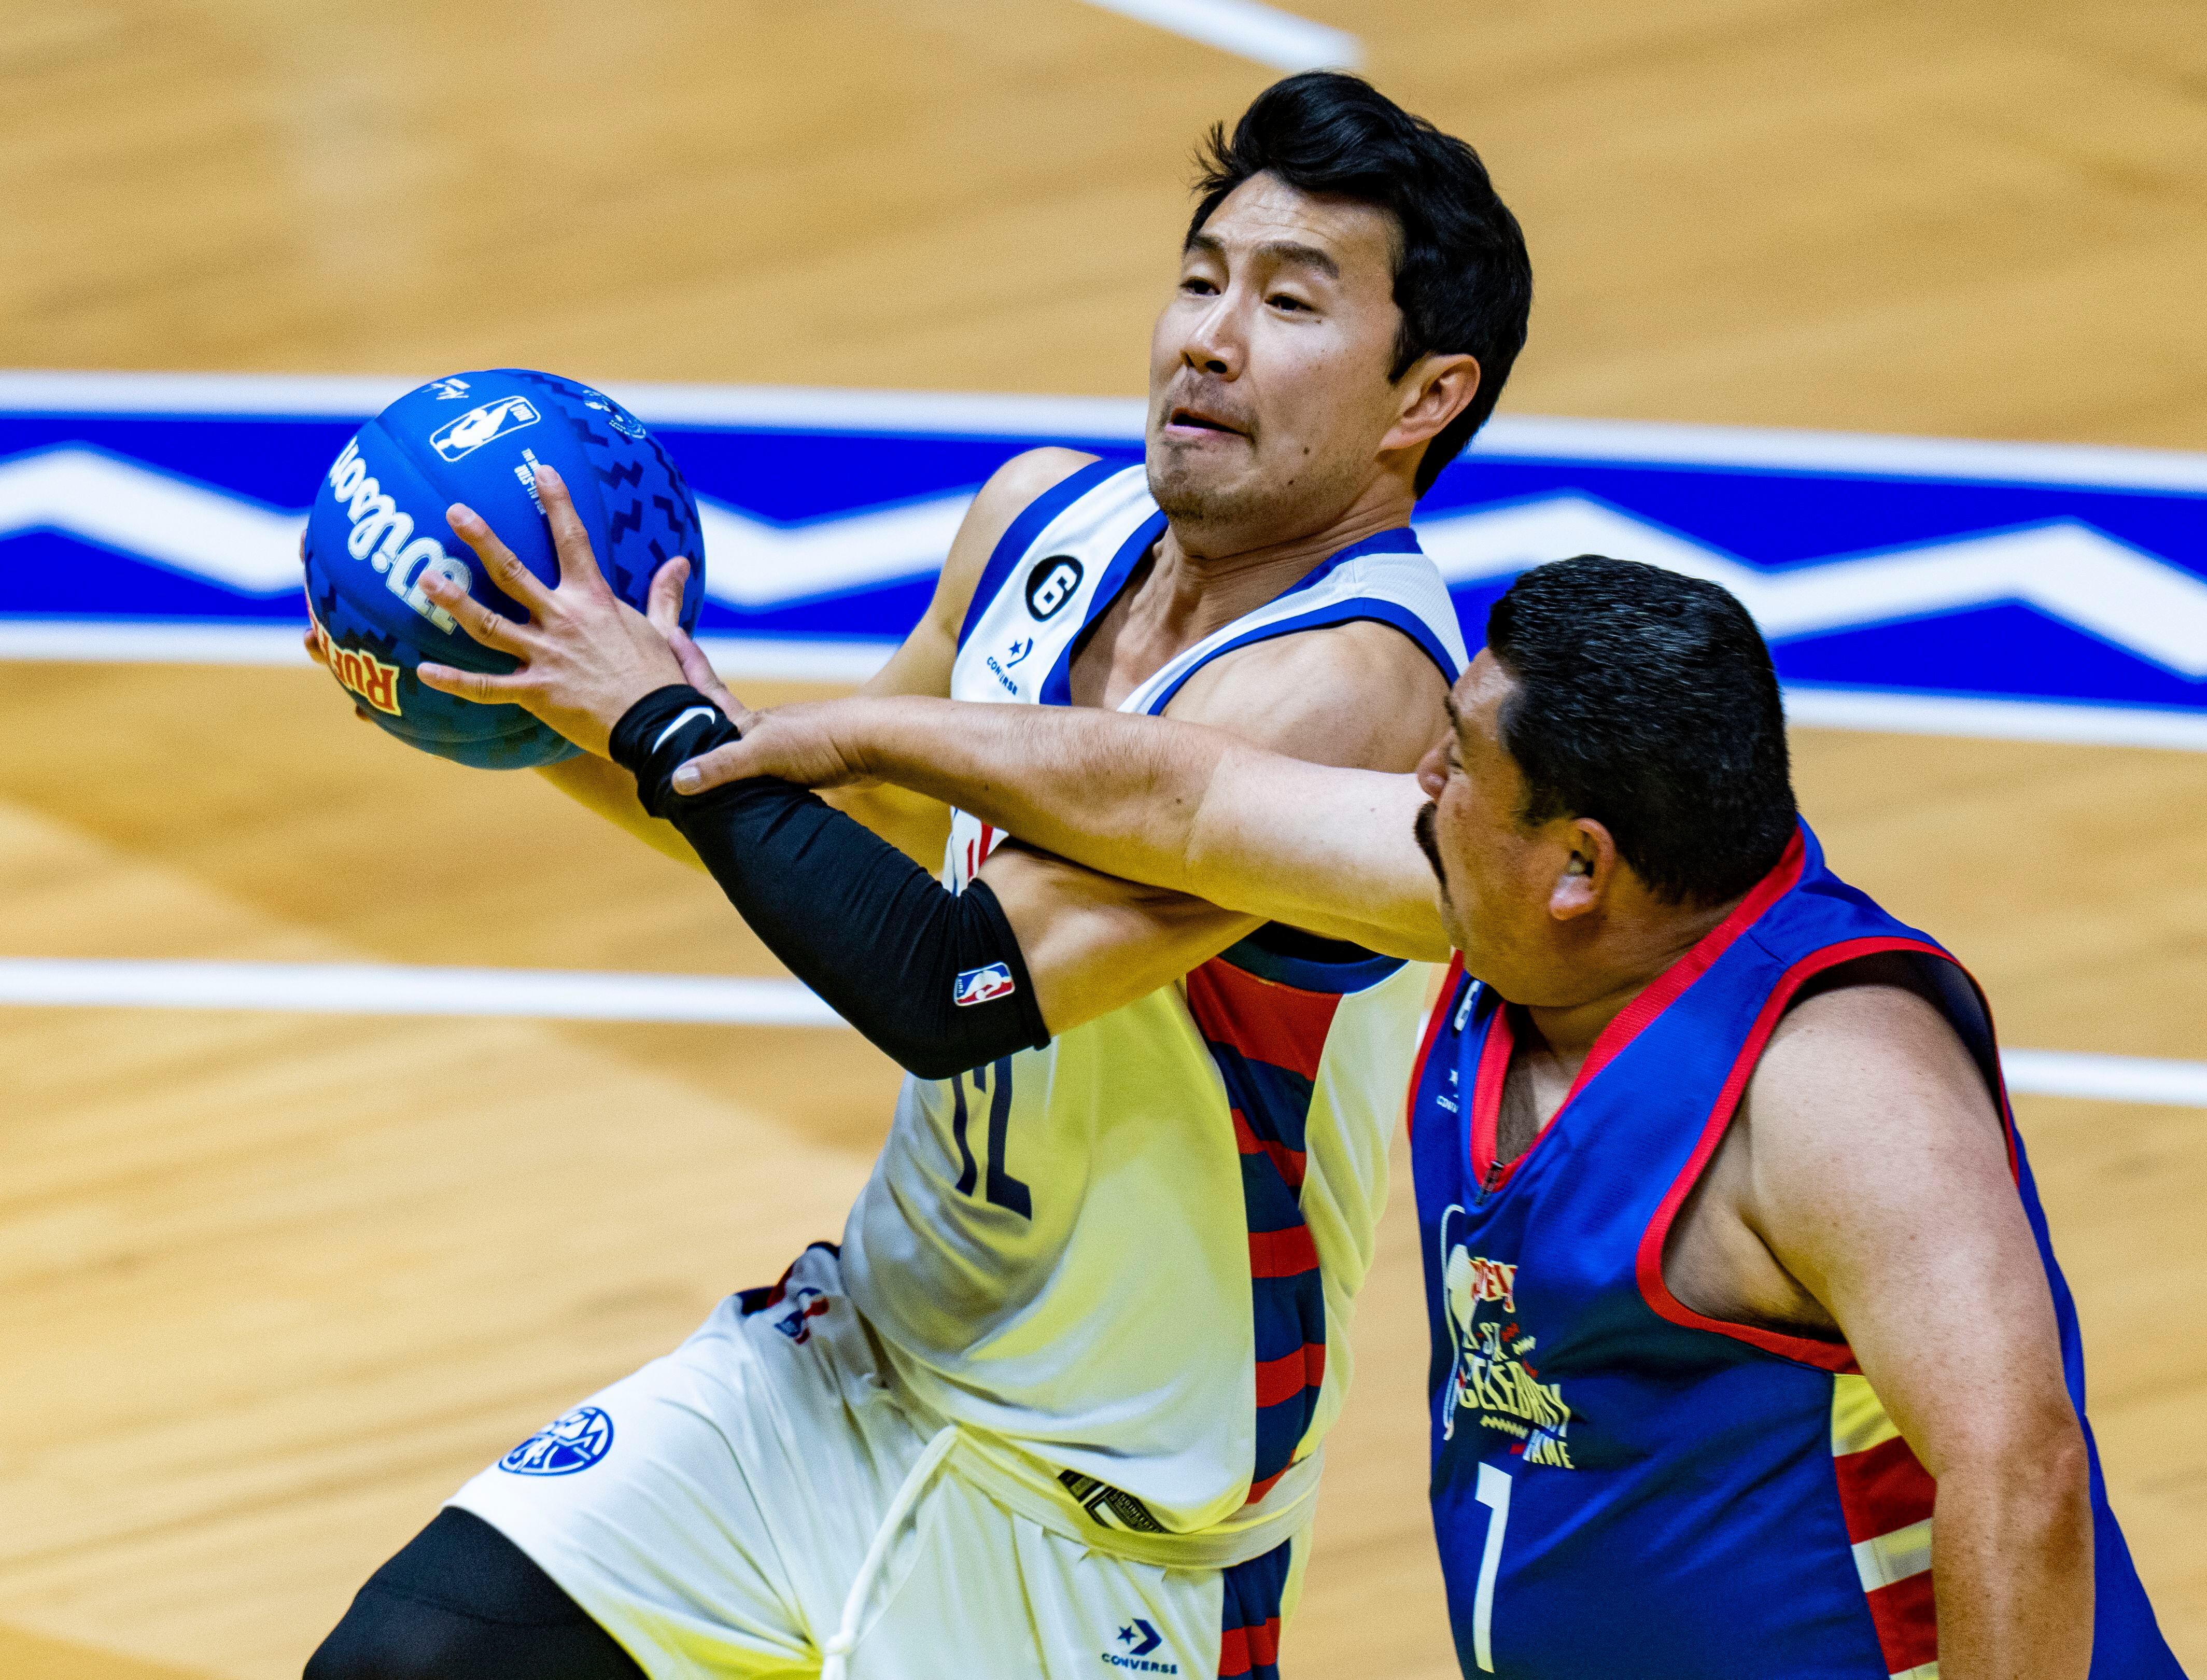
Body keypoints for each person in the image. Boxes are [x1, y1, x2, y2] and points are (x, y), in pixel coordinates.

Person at [306, 72, 1533, 1680]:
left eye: (1288, 304)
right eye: (1198, 278)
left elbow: (952, 982)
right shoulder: (1041, 520)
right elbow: (850, 831)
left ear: (1425, 396)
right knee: (406, 1663)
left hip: (1101, 1510)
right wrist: (525, 695)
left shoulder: (1353, 691)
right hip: (852, 1366)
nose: (1208, 340)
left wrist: (661, 722)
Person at [662, 555, 2186, 1680]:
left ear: (1579, 863)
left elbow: (2020, 1473)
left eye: (1458, 760)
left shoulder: (1835, 1083)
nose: (1416, 772)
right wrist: (857, 737)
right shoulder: (1504, 904)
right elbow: (1182, 800)